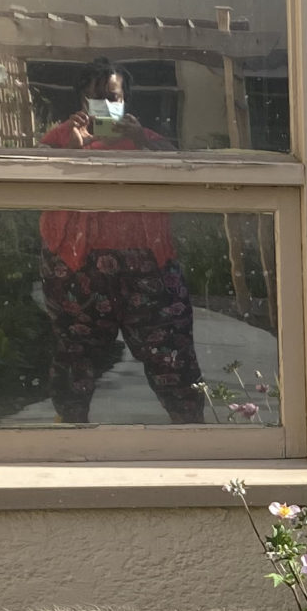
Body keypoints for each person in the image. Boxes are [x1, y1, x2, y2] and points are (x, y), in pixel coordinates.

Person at [38, 68, 205, 424]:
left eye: (113, 97)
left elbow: (184, 171)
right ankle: (69, 439)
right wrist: (73, 150)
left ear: (126, 99)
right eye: (96, 98)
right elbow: (33, 181)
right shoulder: (61, 139)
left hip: (149, 267)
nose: (105, 106)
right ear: (82, 102)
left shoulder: (148, 139)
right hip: (77, 267)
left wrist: (141, 139)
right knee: (75, 357)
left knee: (171, 357)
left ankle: (194, 438)